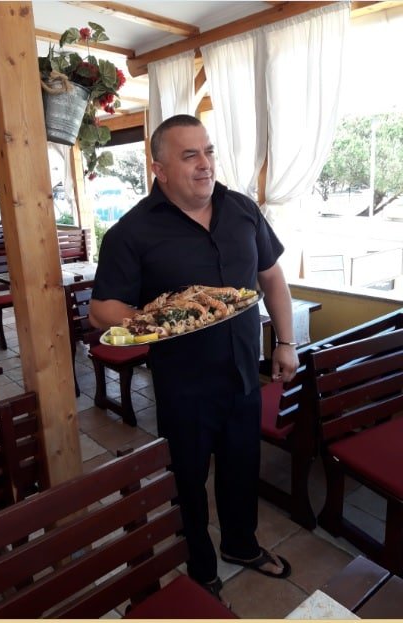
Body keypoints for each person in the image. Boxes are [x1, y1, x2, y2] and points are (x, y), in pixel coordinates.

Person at [89, 114, 299, 599]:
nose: (205, 164)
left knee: (241, 468)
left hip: (244, 375)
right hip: (184, 386)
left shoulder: (242, 209)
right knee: (187, 480)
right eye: (190, 156)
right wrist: (160, 318)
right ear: (159, 169)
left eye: (208, 151)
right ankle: (200, 568)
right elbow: (101, 310)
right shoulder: (131, 231)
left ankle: (241, 545)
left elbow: (271, 278)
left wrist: (285, 342)